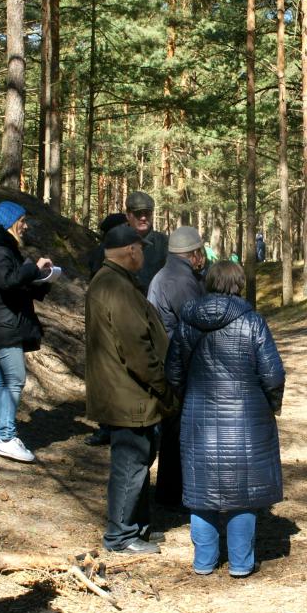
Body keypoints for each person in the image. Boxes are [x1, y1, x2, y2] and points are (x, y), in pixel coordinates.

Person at [166, 261, 286, 578]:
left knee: (200, 490)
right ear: (238, 285)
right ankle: (241, 563)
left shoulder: (186, 321)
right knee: (243, 493)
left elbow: (173, 372)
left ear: (208, 283)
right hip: (247, 418)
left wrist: (188, 397)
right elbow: (273, 374)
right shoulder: (252, 322)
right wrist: (272, 405)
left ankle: (204, 561)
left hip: (197, 418)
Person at [86, 224, 176, 554]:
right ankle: (120, 537)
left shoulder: (114, 282)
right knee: (130, 466)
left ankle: (135, 529)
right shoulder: (115, 287)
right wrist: (162, 386)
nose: (144, 253)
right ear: (131, 252)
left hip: (127, 392)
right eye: (141, 248)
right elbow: (136, 350)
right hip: (129, 395)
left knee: (137, 463)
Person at [0, 201, 53, 463]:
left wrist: (43, 279)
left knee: (3, 380)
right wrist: (33, 267)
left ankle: (1, 434)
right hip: (5, 324)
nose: (25, 225)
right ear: (10, 222)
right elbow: (8, 282)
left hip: (6, 322)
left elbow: (17, 283)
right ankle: (6, 437)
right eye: (21, 220)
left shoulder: (4, 249)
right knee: (14, 379)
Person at [146, 225, 207, 509]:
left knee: (175, 430)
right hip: (177, 364)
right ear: (193, 254)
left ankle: (172, 493)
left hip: (171, 360)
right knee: (177, 431)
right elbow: (198, 321)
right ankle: (172, 495)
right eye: (201, 252)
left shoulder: (171, 273)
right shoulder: (179, 280)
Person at [84, 211, 130, 448]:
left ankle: (115, 425)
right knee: (106, 375)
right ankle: (107, 427)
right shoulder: (101, 255)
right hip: (105, 321)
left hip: (116, 319)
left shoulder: (121, 252)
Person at [124, 190, 169, 293]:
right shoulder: (114, 243)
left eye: (147, 213)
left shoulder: (164, 243)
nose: (143, 218)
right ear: (128, 215)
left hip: (154, 306)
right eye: (138, 213)